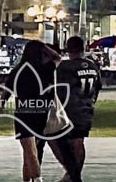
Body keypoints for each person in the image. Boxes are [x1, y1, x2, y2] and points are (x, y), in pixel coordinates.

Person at [13, 39, 83, 182]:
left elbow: (11, 92)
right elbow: (57, 58)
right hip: (46, 114)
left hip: (26, 115)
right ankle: (72, 176)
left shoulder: (19, 71)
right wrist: (42, 46)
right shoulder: (46, 69)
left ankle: (32, 179)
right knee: (61, 150)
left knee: (30, 153)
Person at [55, 35, 101, 180]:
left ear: (68, 49)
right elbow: (97, 87)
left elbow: (58, 88)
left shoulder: (65, 67)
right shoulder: (93, 66)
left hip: (70, 109)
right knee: (79, 142)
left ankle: (72, 174)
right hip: (86, 108)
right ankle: (74, 174)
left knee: (60, 142)